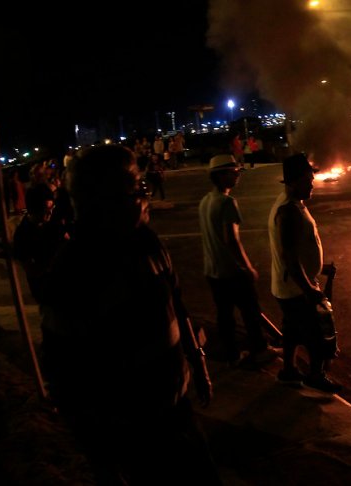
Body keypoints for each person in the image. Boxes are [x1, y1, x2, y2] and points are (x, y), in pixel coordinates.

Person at [41, 144, 221, 485]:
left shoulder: (147, 242)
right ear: (103, 200)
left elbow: (177, 303)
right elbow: (65, 377)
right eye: (136, 188)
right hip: (131, 430)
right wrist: (102, 460)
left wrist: (197, 363)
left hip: (177, 410)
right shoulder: (72, 274)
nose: (145, 195)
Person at [268, 153, 342, 393]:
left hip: (289, 285)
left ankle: (288, 370)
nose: (312, 184)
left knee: (291, 330)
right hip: (296, 287)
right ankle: (315, 375)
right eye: (307, 180)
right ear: (293, 181)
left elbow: (299, 249)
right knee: (316, 333)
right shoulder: (288, 212)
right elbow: (289, 257)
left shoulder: (293, 205)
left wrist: (320, 269)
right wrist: (310, 289)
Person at [198, 154, 280, 367]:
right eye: (233, 172)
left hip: (212, 271)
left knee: (225, 315)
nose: (237, 176)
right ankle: (260, 350)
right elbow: (232, 240)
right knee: (250, 311)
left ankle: (231, 354)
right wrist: (247, 267)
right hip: (231, 272)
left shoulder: (206, 201)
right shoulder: (227, 203)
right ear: (221, 175)